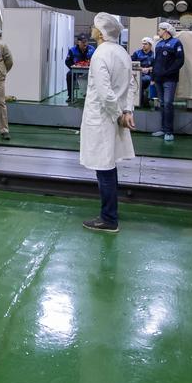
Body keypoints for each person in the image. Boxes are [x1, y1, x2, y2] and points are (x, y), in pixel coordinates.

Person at [80, 13, 138, 233]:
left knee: (104, 168)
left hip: (103, 119)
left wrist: (118, 114)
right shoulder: (122, 52)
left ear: (101, 32)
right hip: (113, 118)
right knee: (109, 166)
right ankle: (110, 212)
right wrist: (127, 110)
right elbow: (131, 85)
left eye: (94, 27)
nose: (92, 30)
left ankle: (109, 218)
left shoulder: (100, 54)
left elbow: (105, 94)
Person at [152, 22, 185, 141]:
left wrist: (168, 72)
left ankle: (169, 131)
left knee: (168, 103)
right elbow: (155, 61)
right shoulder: (159, 44)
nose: (158, 32)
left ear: (166, 30)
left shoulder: (176, 43)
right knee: (162, 104)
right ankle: (163, 129)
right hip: (158, 79)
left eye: (160, 30)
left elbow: (180, 61)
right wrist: (153, 76)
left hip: (170, 80)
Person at [65, 34, 95, 103]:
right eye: (82, 42)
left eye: (86, 42)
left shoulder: (92, 49)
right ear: (78, 42)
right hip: (76, 70)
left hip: (90, 70)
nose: (85, 44)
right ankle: (70, 96)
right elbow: (67, 61)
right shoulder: (72, 50)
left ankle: (92, 96)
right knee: (69, 75)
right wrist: (73, 67)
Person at [130, 37, 155, 107]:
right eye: (143, 44)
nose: (143, 45)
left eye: (145, 44)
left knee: (145, 80)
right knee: (139, 81)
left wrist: (149, 68)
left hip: (149, 76)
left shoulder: (153, 55)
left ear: (150, 45)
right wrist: (141, 68)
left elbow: (156, 66)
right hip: (137, 75)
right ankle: (139, 102)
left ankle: (144, 101)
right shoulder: (137, 53)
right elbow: (131, 63)